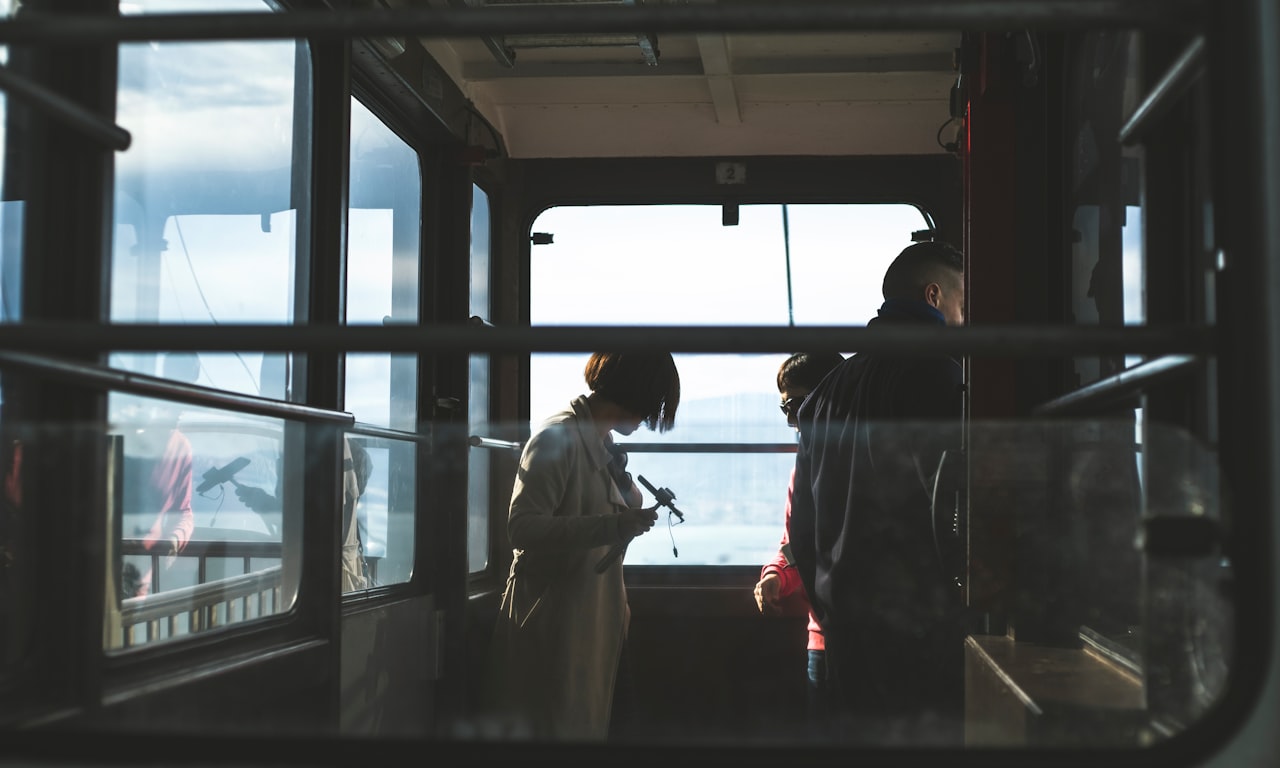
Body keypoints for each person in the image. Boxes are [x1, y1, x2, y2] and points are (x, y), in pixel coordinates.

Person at [789, 240, 969, 744]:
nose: (965, 318)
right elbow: (951, 502)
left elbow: (802, 531)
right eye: (962, 303)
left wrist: (829, 606)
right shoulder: (939, 372)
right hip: (918, 622)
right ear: (934, 296)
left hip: (846, 623)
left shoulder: (825, 393)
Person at [483, 351, 680, 741]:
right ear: (634, 394)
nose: (646, 420)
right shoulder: (558, 436)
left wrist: (627, 501)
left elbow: (605, 508)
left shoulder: (600, 442)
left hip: (593, 620)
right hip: (555, 622)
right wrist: (614, 524)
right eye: (649, 408)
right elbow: (522, 528)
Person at [753, 351, 844, 724]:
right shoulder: (804, 466)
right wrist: (775, 573)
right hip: (823, 639)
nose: (793, 421)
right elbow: (796, 543)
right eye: (785, 410)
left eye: (797, 405)